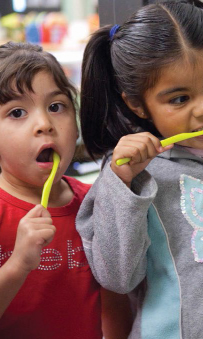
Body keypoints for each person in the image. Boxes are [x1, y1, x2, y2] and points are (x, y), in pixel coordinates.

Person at [76, 1, 203, 338]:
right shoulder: (128, 175)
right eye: (179, 99)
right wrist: (123, 184)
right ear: (137, 104)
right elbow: (117, 278)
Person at [0, 42, 131, 339]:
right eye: (17, 112)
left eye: (56, 107)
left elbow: (115, 303)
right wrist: (18, 264)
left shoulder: (95, 202)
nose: (44, 124)